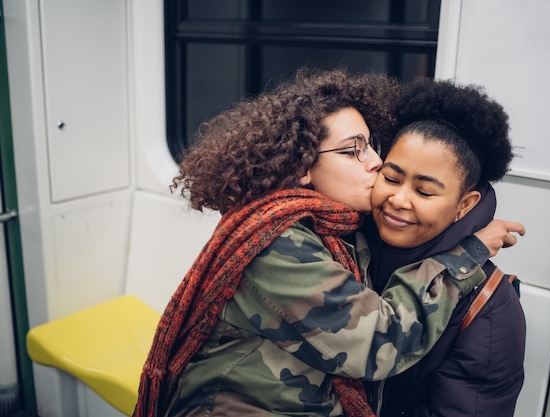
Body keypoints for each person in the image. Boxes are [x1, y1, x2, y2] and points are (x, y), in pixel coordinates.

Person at [132, 69, 518, 417]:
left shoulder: (339, 229)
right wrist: (467, 256)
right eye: (354, 150)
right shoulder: (277, 241)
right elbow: (380, 341)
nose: (375, 164)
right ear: (302, 167)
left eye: (372, 146)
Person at [362, 77, 526, 417]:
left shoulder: (489, 308)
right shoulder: (337, 244)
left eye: (424, 192)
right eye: (391, 178)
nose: (398, 199)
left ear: (465, 205)